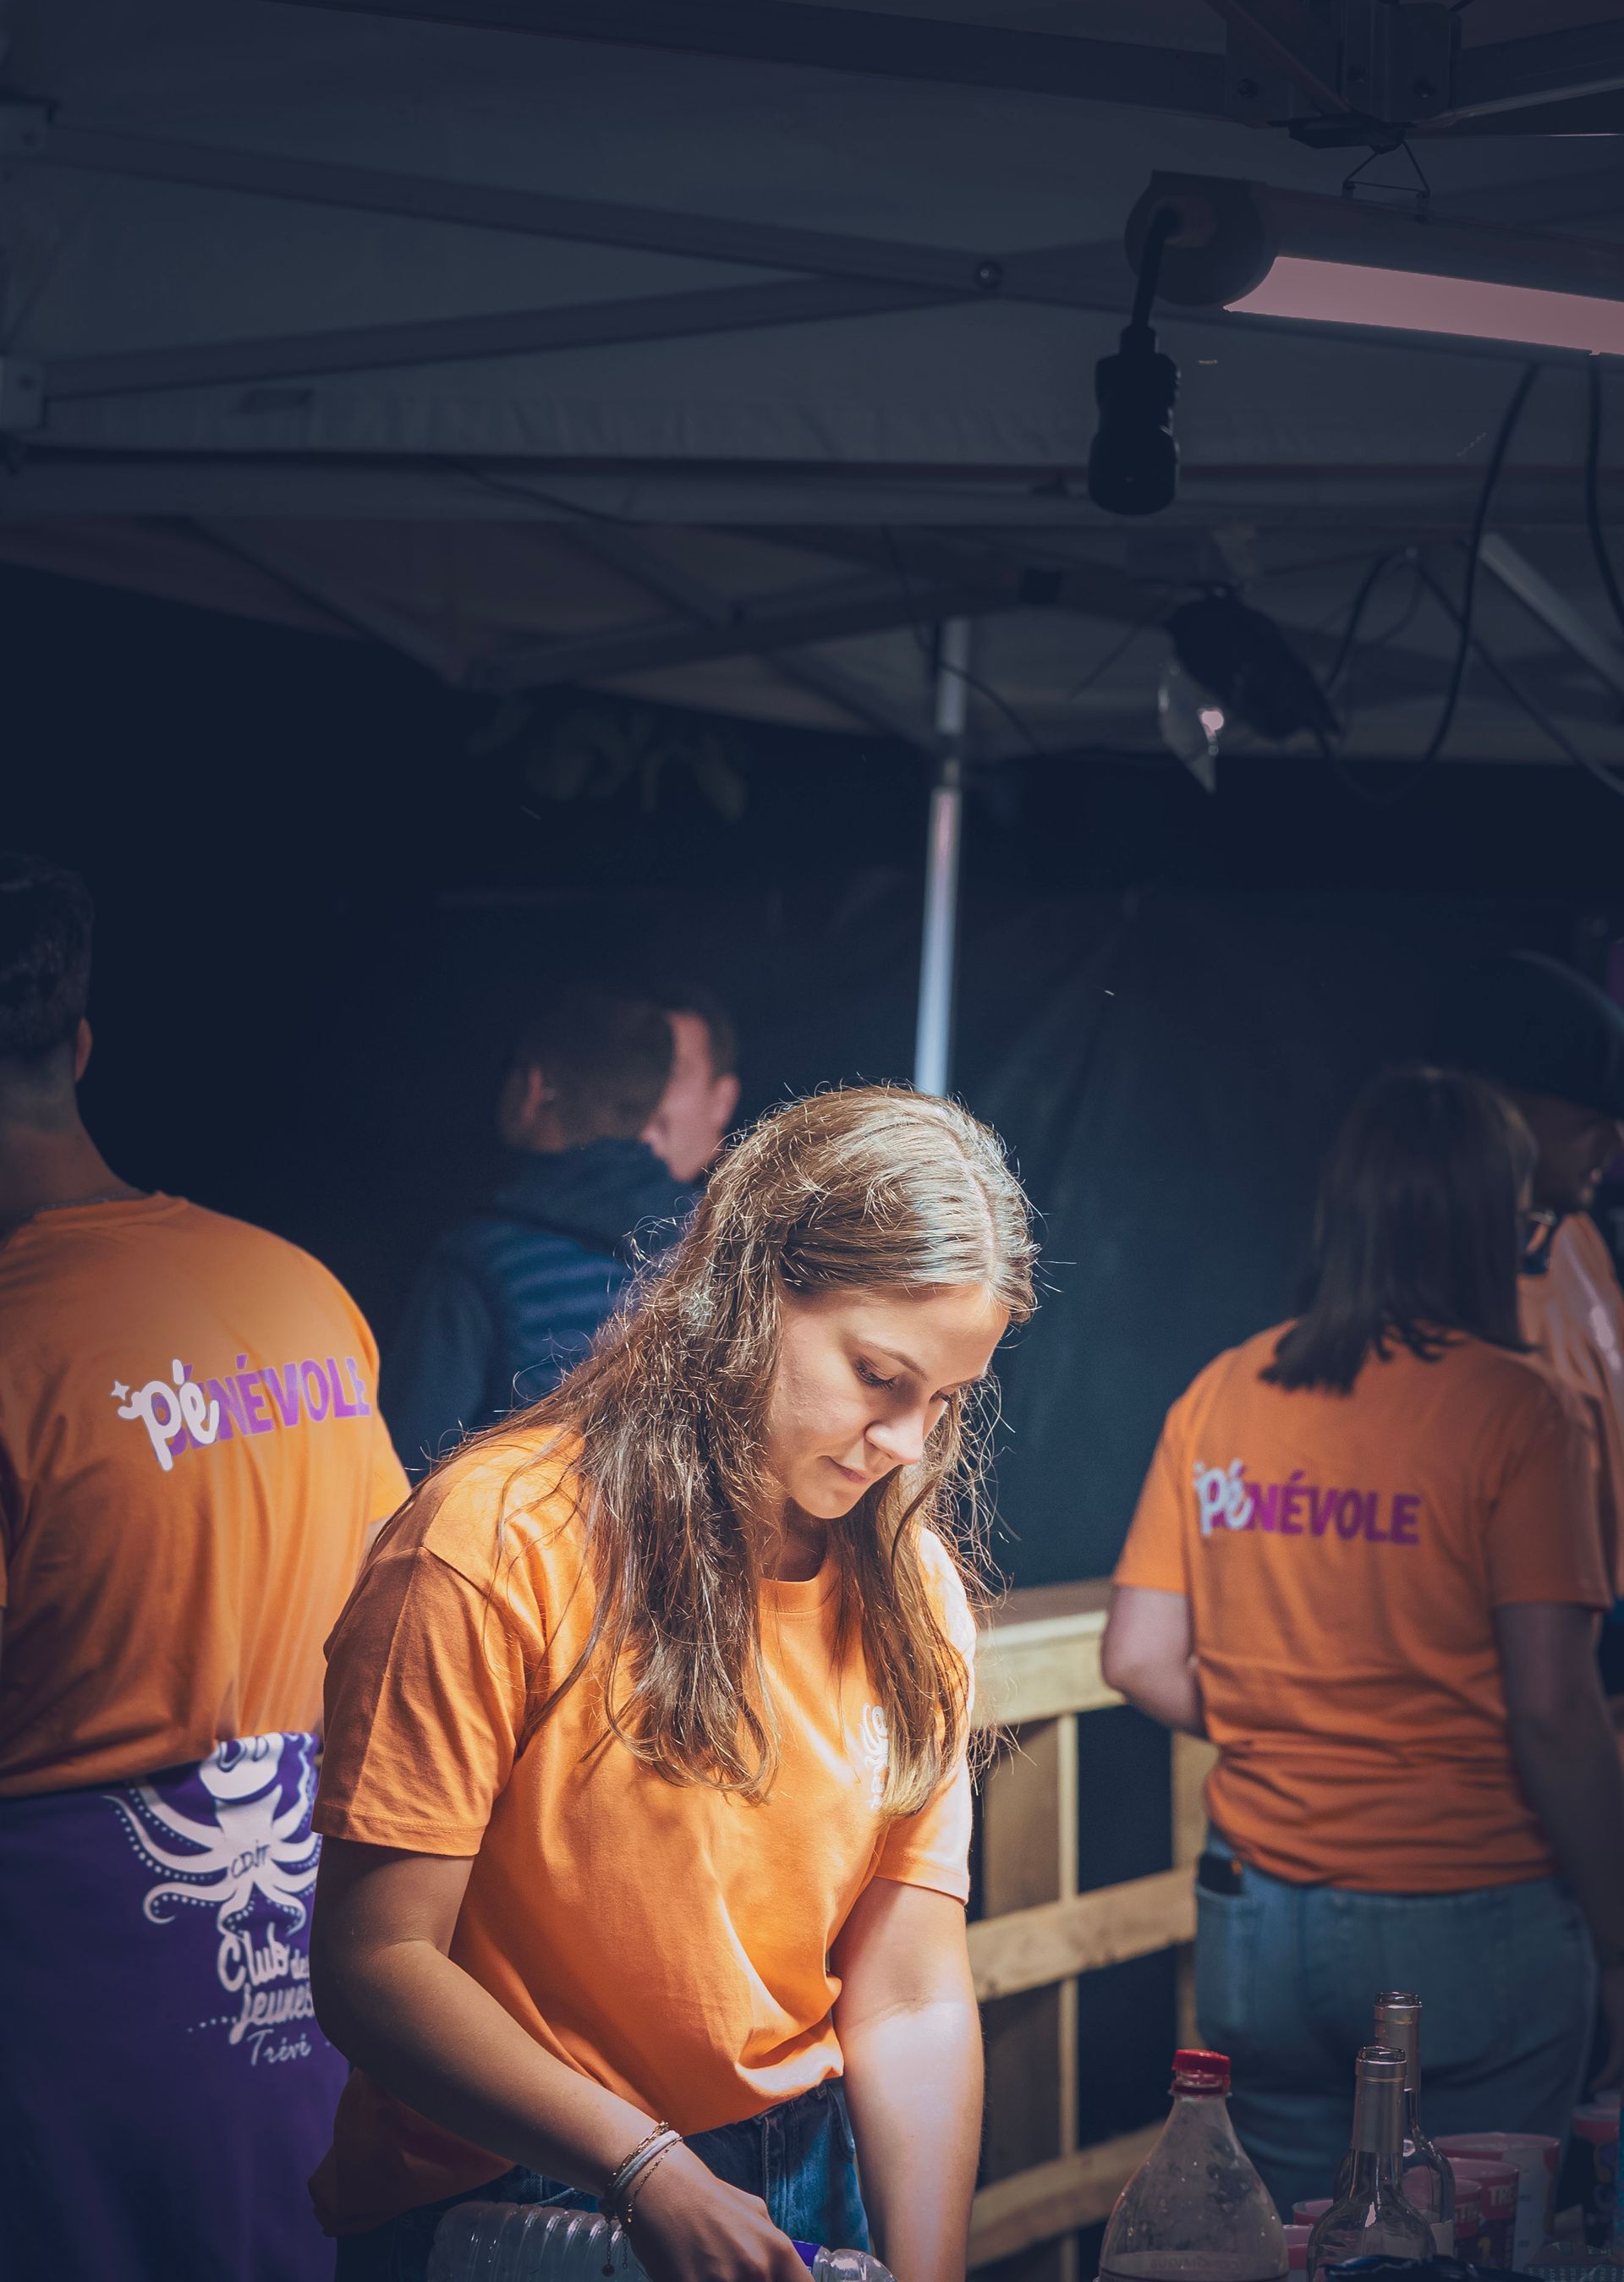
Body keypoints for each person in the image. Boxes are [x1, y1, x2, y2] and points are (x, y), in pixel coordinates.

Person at [307, 1085, 1035, 2282]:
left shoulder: (913, 1591)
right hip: (511, 2179)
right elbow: (375, 1966)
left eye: (943, 1403)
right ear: (749, 1296)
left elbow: (905, 1996)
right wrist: (640, 2163)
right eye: (876, 1376)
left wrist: (929, 2273)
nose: (907, 1443)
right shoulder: (497, 1540)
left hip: (806, 2166)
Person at [1102, 1064, 1624, 2221]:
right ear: (1496, 1223)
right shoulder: (1515, 1411)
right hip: (1470, 1916)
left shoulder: (1224, 1393)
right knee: (1473, 2233)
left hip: (1259, 1922)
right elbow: (1554, 1709)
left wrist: (1279, 1716)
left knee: (1291, 2238)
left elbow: (1137, 1657)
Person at [0, 852, 409, 2282]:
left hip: (55, 2018)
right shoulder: (298, 1292)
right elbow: (389, 1616)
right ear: (83, 1046)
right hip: (295, 1982)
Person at [382, 985, 692, 1477]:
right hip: (670, 1547)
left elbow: (404, 1468)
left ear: (534, 1087)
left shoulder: (479, 1262)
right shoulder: (713, 1243)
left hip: (518, 1546)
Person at [1445, 951, 1624, 1603]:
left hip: (1603, 1602)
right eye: (1588, 1127)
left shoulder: (1577, 1236)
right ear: (1501, 1113)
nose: (1615, 1146)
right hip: (1526, 1620)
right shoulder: (1436, 1276)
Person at [639, 977, 743, 1186]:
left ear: (723, 1101)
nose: (645, 1092)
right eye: (635, 1073)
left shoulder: (764, 1210)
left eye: (670, 1075)